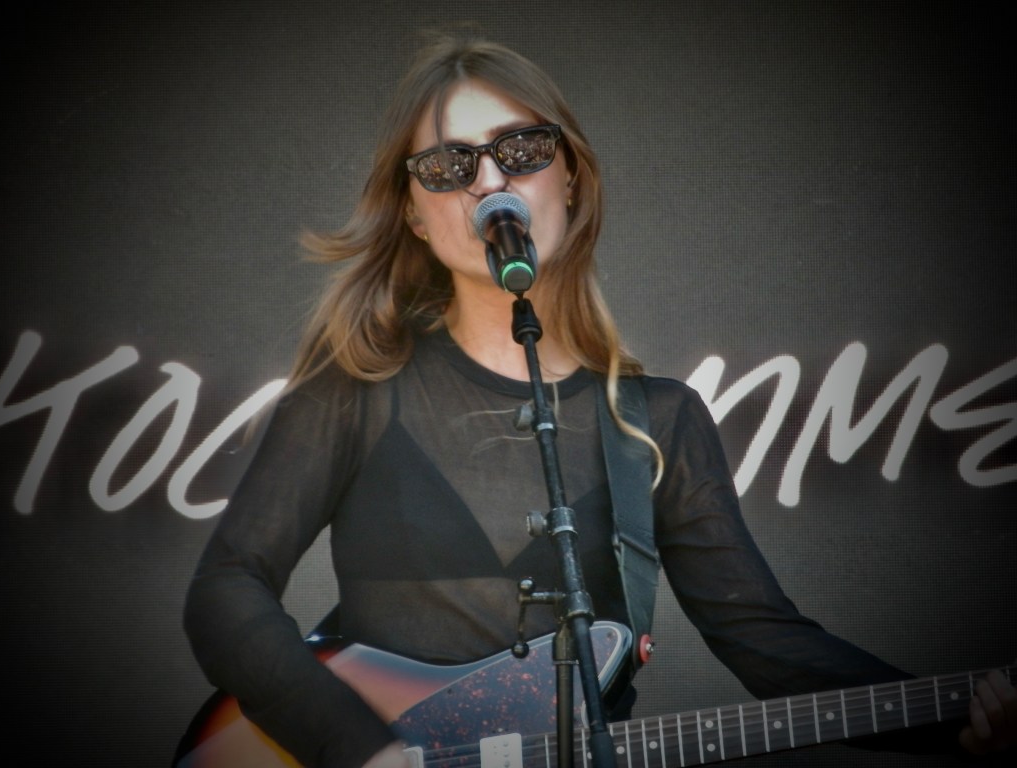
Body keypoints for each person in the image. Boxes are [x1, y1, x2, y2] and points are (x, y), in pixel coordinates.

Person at [182, 29, 1015, 768]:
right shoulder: (355, 388)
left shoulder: (657, 423)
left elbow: (767, 642)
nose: (489, 181)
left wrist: (960, 716)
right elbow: (226, 587)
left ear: (571, 178)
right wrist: (355, 749)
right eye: (450, 165)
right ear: (416, 214)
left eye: (521, 149)